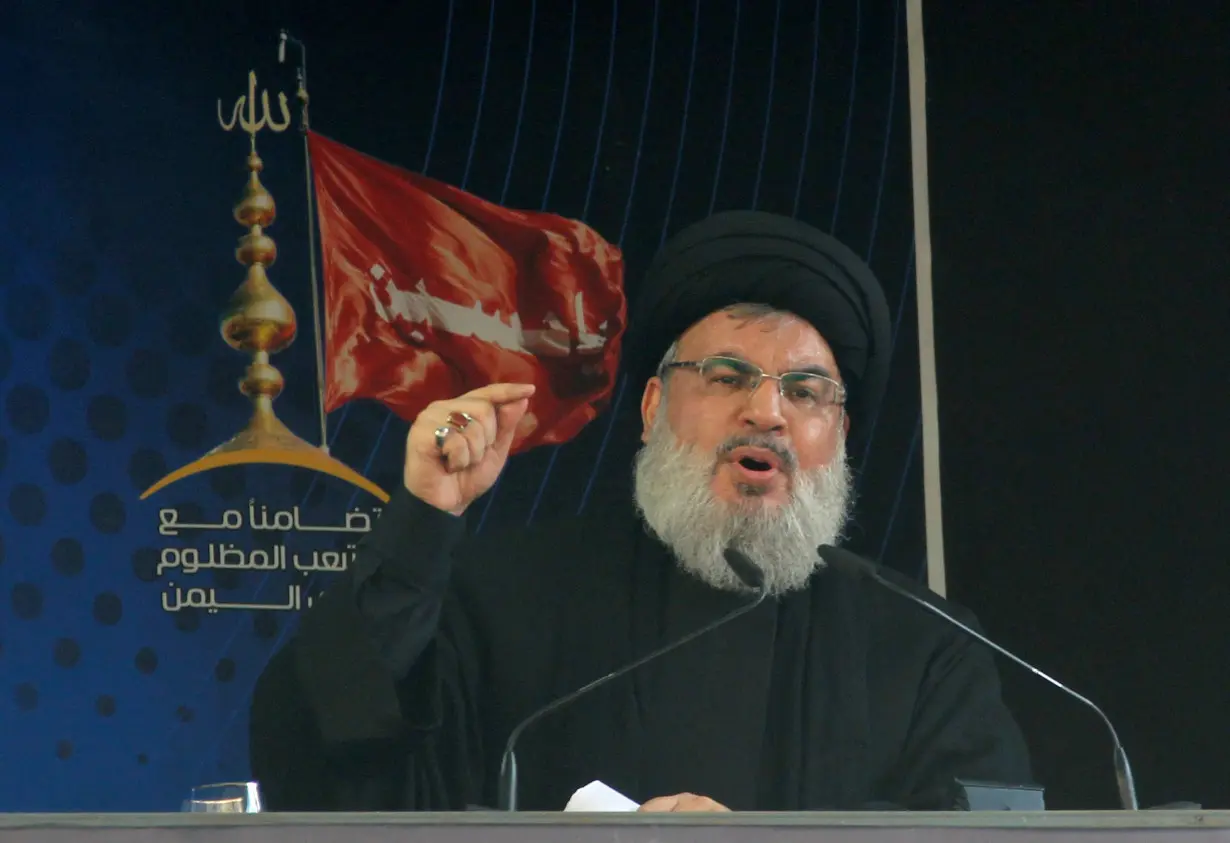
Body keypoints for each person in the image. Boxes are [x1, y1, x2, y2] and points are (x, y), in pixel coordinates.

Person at [249, 211, 1032, 813]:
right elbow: (321, 752)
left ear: (840, 433)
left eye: (805, 391)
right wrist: (423, 524)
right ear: (654, 406)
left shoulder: (926, 646)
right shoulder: (506, 600)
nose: (767, 411)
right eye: (727, 376)